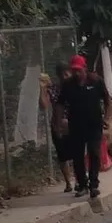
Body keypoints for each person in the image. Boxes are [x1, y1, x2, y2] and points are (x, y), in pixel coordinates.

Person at [56, 54, 110, 199]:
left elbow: (106, 99)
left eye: (79, 70)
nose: (76, 73)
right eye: (74, 70)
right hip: (76, 125)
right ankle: (82, 184)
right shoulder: (68, 85)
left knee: (94, 153)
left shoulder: (96, 81)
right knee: (77, 156)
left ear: (84, 68)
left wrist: (107, 117)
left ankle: (93, 185)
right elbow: (60, 104)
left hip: (94, 124)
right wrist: (59, 122)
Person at [39, 62, 76, 192]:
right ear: (58, 76)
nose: (65, 77)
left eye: (67, 74)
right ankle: (68, 183)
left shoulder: (76, 87)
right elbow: (43, 105)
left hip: (74, 124)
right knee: (62, 156)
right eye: (62, 75)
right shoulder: (54, 89)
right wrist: (43, 88)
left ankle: (79, 180)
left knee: (77, 153)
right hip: (58, 126)